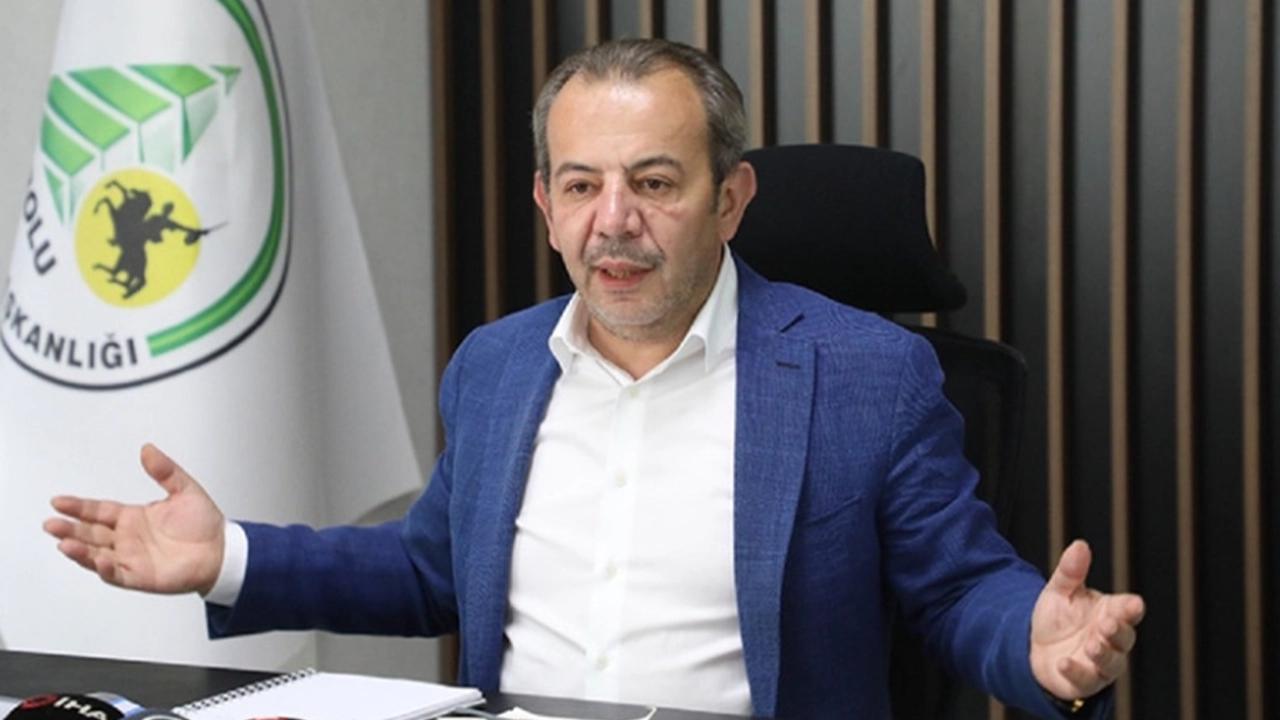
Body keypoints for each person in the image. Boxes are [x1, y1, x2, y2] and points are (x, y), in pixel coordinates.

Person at [44, 39, 1143, 718]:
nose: (612, 221)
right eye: (581, 186)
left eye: (653, 183)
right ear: (546, 207)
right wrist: (225, 558)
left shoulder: (869, 373)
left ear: (729, 200)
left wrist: (1037, 645)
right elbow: (433, 571)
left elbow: (955, 592)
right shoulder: (496, 365)